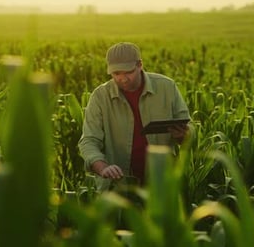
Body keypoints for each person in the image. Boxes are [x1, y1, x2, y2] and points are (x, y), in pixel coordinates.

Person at [78, 42, 191, 191]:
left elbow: (189, 128)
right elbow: (88, 141)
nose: (123, 79)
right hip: (118, 186)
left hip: (161, 183)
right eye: (116, 74)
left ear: (140, 65)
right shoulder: (100, 96)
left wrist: (184, 135)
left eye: (128, 72)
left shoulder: (167, 87)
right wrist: (103, 167)